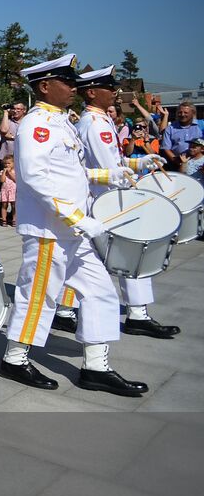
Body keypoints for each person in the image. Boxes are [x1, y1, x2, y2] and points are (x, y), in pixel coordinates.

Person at [0, 54, 150, 397]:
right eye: (66, 82)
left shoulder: (62, 122)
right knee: (39, 295)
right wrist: (77, 217)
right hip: (50, 230)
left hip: (73, 230)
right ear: (45, 86)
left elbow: (72, 172)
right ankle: (14, 359)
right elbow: (35, 177)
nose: (73, 88)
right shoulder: (36, 124)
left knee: (100, 291)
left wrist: (113, 173)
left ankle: (96, 368)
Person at [75, 66, 174, 338]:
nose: (115, 92)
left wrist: (137, 162)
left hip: (108, 195)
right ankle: (137, 315)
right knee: (130, 253)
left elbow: (114, 162)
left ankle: (67, 310)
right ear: (92, 93)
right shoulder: (94, 123)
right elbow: (109, 170)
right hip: (107, 199)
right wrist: (130, 185)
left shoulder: (99, 120)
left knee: (93, 258)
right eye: (109, 87)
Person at [160, 103, 200, 169]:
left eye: (186, 112)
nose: (182, 115)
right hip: (177, 164)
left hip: (199, 164)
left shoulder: (201, 126)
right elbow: (166, 148)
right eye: (180, 112)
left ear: (193, 113)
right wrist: (177, 161)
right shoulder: (170, 128)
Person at [0, 155, 17, 227]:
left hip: (13, 191)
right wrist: (4, 172)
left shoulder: (15, 171)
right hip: (5, 190)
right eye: (5, 163)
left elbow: (15, 180)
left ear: (13, 163)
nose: (7, 165)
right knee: (4, 205)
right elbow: (2, 180)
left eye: (9, 163)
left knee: (14, 206)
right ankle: (4, 220)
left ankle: (14, 220)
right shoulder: (2, 171)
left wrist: (9, 173)